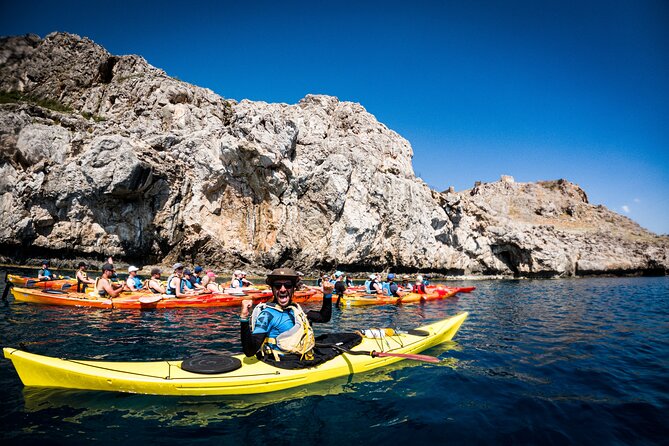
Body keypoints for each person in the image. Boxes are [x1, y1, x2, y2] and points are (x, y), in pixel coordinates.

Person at [240, 268, 334, 361]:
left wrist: (327, 295)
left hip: (302, 358)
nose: (283, 289)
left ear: (293, 288)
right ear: (272, 289)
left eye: (288, 285)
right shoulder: (267, 315)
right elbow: (249, 351)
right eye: (277, 285)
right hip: (282, 364)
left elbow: (324, 317)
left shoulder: (296, 310)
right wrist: (244, 318)